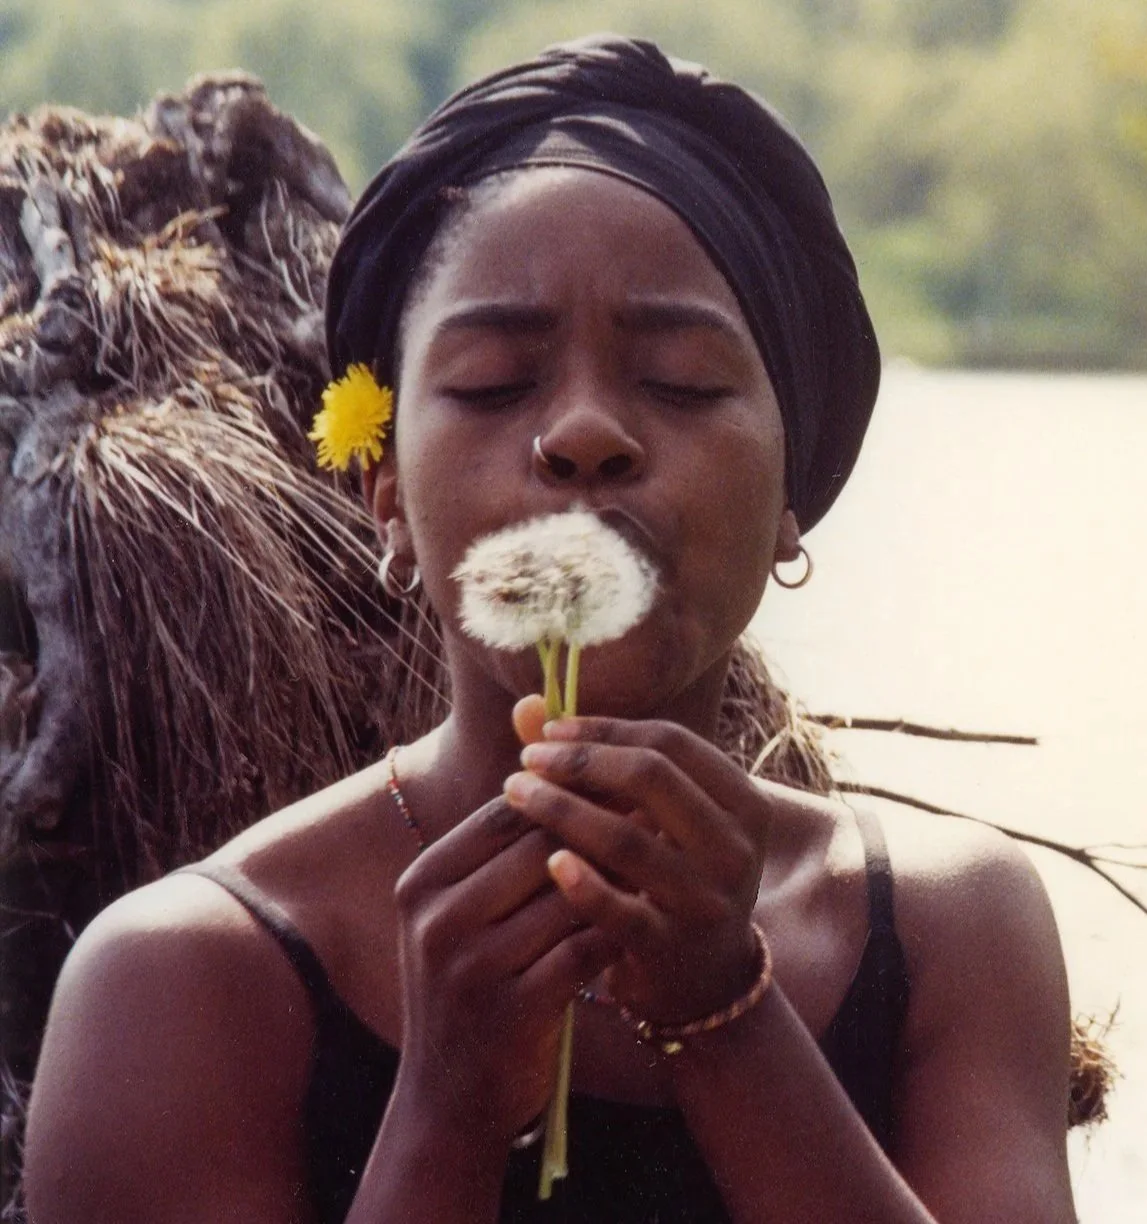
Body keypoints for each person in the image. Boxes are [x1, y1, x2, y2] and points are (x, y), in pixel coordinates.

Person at [21, 35, 1078, 1224]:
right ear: (385, 495)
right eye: (490, 383)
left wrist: (726, 1019)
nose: (581, 435)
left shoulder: (947, 927)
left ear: (795, 490)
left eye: (680, 382)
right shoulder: (182, 982)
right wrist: (449, 1106)